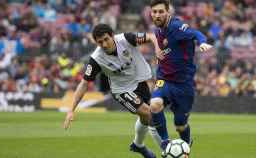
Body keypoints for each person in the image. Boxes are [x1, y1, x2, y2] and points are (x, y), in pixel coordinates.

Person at [63, 24, 162, 158]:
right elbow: (84, 84)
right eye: (100, 42)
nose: (104, 44)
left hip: (140, 81)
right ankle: (166, 149)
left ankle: (138, 145)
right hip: (122, 90)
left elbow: (151, 37)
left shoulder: (126, 39)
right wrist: (71, 110)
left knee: (145, 117)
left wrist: (157, 50)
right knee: (149, 114)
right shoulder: (96, 59)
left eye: (106, 39)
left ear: (112, 36)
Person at [148, 0, 213, 151]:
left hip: (184, 84)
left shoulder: (176, 27)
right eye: (154, 12)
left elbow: (196, 33)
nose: (157, 15)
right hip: (164, 79)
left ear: (168, 12)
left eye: (160, 12)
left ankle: (186, 145)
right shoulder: (158, 30)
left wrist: (202, 42)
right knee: (155, 104)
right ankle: (165, 141)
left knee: (180, 125)